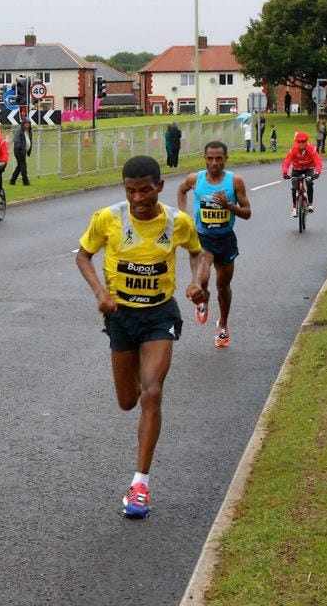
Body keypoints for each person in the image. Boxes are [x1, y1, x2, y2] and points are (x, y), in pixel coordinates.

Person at [75, 155, 206, 519]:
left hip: (159, 315)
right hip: (121, 317)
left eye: (145, 190)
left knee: (152, 392)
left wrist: (197, 281)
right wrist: (100, 293)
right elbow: (83, 256)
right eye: (131, 190)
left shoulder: (178, 222)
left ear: (160, 187)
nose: (138, 198)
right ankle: (136, 374)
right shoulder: (108, 218)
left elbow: (198, 254)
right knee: (127, 401)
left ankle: (140, 485)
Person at [177, 142, 252, 349]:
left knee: (223, 285)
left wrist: (228, 205)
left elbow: (247, 212)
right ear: (205, 158)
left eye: (218, 158)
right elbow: (181, 190)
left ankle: (223, 325)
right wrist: (183, 215)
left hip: (226, 240)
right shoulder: (196, 179)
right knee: (201, 280)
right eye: (210, 158)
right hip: (204, 239)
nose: (214, 162)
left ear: (226, 158)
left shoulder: (234, 181)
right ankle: (203, 300)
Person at [281, 131, 323, 216]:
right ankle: (294, 208)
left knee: (309, 182)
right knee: (294, 187)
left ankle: (310, 204)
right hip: (297, 169)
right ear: (297, 142)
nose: (301, 144)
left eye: (303, 142)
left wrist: (317, 172)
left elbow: (318, 160)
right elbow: (287, 161)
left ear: (306, 142)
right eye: (299, 142)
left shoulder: (311, 149)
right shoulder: (293, 150)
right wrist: (285, 172)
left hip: (309, 168)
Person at [9, 119, 32, 185]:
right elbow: (16, 141)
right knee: (23, 166)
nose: (27, 125)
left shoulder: (29, 130)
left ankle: (12, 180)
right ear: (23, 123)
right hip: (19, 151)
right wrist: (21, 149)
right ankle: (25, 181)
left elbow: (29, 140)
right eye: (26, 123)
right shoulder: (18, 130)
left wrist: (27, 149)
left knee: (20, 166)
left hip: (24, 151)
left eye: (28, 123)